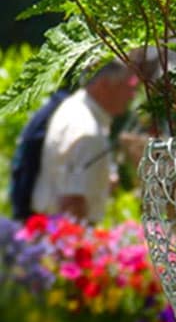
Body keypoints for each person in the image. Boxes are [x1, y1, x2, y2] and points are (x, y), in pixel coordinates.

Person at [30, 59, 140, 223]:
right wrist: (80, 244)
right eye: (127, 87)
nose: (132, 95)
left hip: (48, 227)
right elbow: (73, 204)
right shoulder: (88, 133)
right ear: (104, 85)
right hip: (67, 235)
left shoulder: (72, 107)